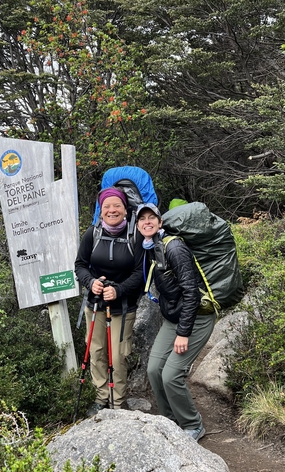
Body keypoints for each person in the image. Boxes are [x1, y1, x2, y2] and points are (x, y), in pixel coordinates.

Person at [136, 202, 216, 441]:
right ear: (138, 225)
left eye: (152, 218)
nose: (147, 222)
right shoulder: (151, 247)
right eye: (142, 219)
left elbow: (191, 292)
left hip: (197, 319)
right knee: (153, 370)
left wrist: (183, 333)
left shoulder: (175, 248)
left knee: (171, 375)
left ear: (161, 223)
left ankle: (193, 425)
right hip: (174, 317)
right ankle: (171, 421)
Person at [74, 187, 144, 415]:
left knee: (118, 355)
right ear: (100, 211)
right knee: (96, 351)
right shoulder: (92, 234)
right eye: (107, 207)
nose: (112, 210)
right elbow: (80, 265)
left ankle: (118, 401)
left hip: (123, 307)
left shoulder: (136, 236)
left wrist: (119, 290)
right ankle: (102, 397)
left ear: (125, 209)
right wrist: (90, 282)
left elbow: (141, 273)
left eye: (117, 206)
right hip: (95, 305)